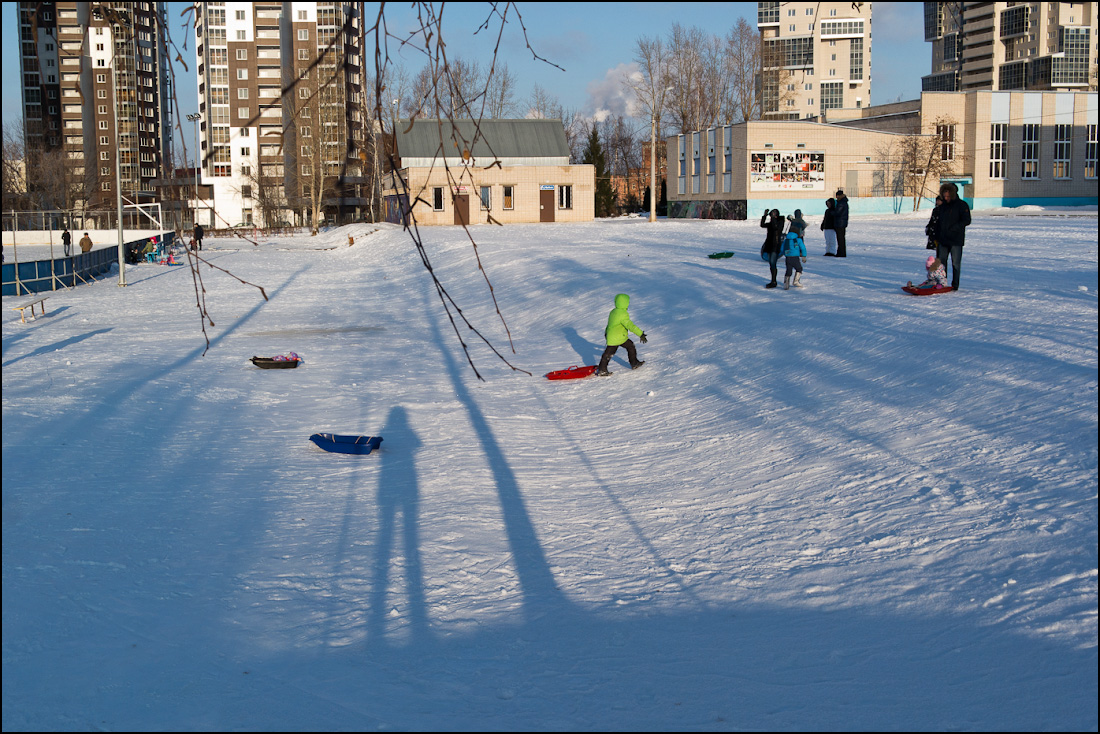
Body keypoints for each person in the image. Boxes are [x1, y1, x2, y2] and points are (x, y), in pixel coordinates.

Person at [596, 293, 646, 376]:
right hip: (617, 337)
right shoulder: (623, 314)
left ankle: (634, 363)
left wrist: (606, 333)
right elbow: (630, 325)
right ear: (625, 303)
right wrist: (640, 333)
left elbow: (610, 324)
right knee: (609, 353)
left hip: (616, 336)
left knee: (630, 346)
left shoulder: (613, 311)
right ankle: (602, 370)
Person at [935, 182, 971, 291]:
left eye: (948, 196)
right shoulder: (942, 207)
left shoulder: (962, 205)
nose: (946, 198)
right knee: (941, 264)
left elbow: (967, 220)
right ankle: (943, 283)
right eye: (944, 196)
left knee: (956, 264)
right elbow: (937, 222)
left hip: (956, 240)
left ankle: (955, 285)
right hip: (943, 240)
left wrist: (954, 228)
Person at [760, 209, 785, 288]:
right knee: (771, 263)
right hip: (769, 244)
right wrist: (764, 216)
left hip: (775, 245)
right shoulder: (771, 223)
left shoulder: (780, 222)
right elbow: (762, 225)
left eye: (772, 216)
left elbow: (775, 228)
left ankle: (774, 281)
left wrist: (774, 218)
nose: (771, 218)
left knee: (773, 262)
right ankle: (773, 280)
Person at [781, 223, 808, 289]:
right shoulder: (798, 240)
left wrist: (785, 254)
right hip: (795, 257)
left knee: (788, 270)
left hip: (788, 257)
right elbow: (803, 248)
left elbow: (782, 248)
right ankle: (796, 281)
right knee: (799, 269)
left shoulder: (786, 240)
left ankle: (786, 284)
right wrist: (804, 256)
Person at [833, 189, 849, 257]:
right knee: (841, 238)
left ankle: (841, 253)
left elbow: (837, 212)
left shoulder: (841, 203)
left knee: (840, 239)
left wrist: (832, 212)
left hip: (840, 223)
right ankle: (841, 252)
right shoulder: (844, 202)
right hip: (842, 222)